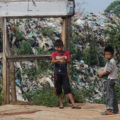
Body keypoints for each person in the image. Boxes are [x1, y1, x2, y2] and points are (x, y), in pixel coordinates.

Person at [51, 40, 81, 109]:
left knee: (67, 88)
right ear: (55, 47)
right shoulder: (54, 54)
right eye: (58, 47)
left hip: (64, 74)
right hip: (57, 74)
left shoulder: (66, 53)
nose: (59, 49)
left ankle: (73, 104)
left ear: (62, 46)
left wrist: (65, 60)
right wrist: (59, 60)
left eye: (60, 47)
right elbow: (52, 61)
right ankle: (61, 104)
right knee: (58, 89)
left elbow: (69, 61)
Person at [98, 46, 119, 115]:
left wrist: (101, 75)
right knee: (112, 94)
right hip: (112, 79)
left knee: (109, 95)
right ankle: (115, 109)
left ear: (112, 55)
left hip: (109, 80)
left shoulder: (111, 62)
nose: (107, 56)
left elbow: (108, 71)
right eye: (106, 54)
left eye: (108, 54)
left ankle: (109, 109)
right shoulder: (111, 61)